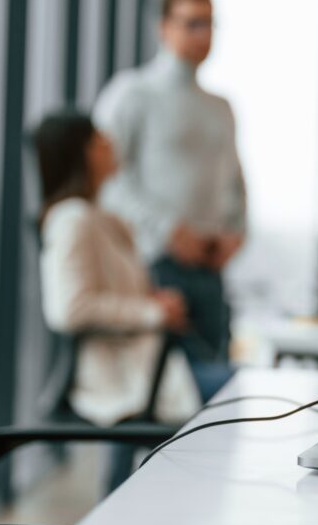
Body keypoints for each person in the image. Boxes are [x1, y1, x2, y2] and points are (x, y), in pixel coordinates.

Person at [93, 0, 244, 386]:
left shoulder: (220, 107)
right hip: (151, 269)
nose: (203, 34)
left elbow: (236, 183)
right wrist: (167, 230)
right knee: (147, 400)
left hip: (210, 271)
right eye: (192, 23)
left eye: (210, 24)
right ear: (164, 27)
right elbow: (106, 180)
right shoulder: (132, 93)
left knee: (215, 405)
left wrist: (236, 233)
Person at [34, 112, 201, 427]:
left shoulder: (101, 218)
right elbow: (69, 309)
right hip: (123, 378)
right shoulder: (73, 220)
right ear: (84, 152)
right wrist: (154, 312)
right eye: (100, 139)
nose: (111, 143)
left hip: (147, 366)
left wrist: (156, 301)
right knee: (231, 397)